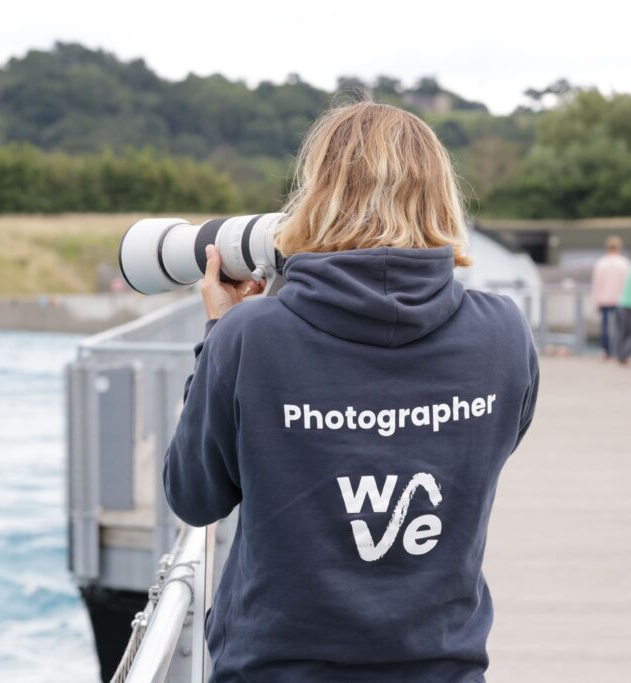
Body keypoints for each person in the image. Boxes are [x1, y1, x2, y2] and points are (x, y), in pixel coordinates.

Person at [163, 102, 539, 683]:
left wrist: (218, 332)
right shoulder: (504, 333)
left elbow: (194, 497)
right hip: (443, 668)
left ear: (316, 196)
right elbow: (484, 451)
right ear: (441, 195)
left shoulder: (251, 336)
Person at [590, 236, 630, 359]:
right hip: (620, 300)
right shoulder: (624, 263)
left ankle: (606, 351)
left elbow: (596, 284)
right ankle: (619, 352)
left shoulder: (601, 263)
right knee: (620, 328)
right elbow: (627, 283)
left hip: (604, 299)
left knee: (605, 328)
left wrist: (596, 301)